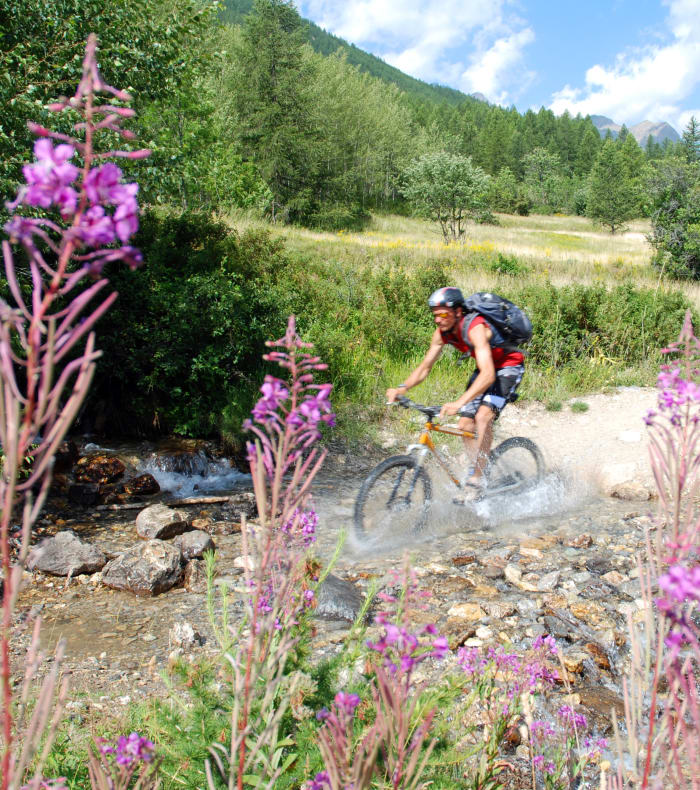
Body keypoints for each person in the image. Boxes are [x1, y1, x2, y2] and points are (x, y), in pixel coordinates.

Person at [385, 287, 525, 498]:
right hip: (484, 368)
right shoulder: (442, 333)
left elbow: (488, 375)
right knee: (464, 424)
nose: (438, 320)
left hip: (507, 366)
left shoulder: (475, 327)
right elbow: (425, 367)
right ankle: (480, 468)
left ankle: (477, 479)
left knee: (483, 416)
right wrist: (402, 388)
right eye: (435, 315)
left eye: (443, 314)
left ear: (458, 312)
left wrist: (458, 402)